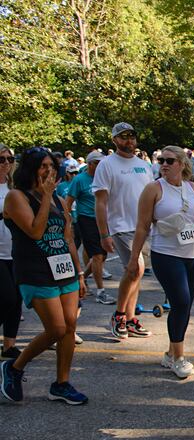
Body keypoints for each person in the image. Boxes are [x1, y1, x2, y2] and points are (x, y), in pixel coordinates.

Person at [128, 146, 194, 378]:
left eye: (170, 160)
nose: (164, 164)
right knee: (180, 302)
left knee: (186, 306)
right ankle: (179, 359)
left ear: (182, 164)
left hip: (192, 256)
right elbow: (142, 226)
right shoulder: (153, 189)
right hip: (166, 255)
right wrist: (134, 257)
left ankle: (171, 353)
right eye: (161, 160)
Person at [0, 147, 88, 404]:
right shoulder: (17, 197)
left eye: (52, 167)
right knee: (56, 328)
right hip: (35, 271)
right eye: (43, 166)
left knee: (70, 327)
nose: (49, 171)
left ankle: (62, 384)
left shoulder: (59, 201)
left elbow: (68, 238)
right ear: (30, 169)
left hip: (64, 270)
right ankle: (14, 367)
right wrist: (47, 196)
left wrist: (79, 273)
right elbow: (36, 232)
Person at [93, 122, 155, 339]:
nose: (128, 140)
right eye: (123, 137)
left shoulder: (144, 165)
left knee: (136, 274)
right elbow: (100, 202)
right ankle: (119, 315)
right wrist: (104, 233)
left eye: (132, 136)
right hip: (121, 226)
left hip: (144, 228)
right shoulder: (106, 165)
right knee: (135, 269)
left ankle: (130, 319)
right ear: (114, 140)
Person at [67, 151, 115, 305]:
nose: (100, 166)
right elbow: (68, 202)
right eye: (97, 163)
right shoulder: (80, 180)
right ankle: (101, 292)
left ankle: (80, 278)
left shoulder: (105, 178)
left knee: (102, 256)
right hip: (86, 219)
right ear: (89, 164)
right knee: (97, 256)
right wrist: (68, 222)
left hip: (104, 220)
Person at [0, 145, 22, 360]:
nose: (6, 163)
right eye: (1, 159)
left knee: (16, 299)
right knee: (6, 298)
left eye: (9, 159)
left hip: (14, 250)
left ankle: (9, 346)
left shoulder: (15, 187)